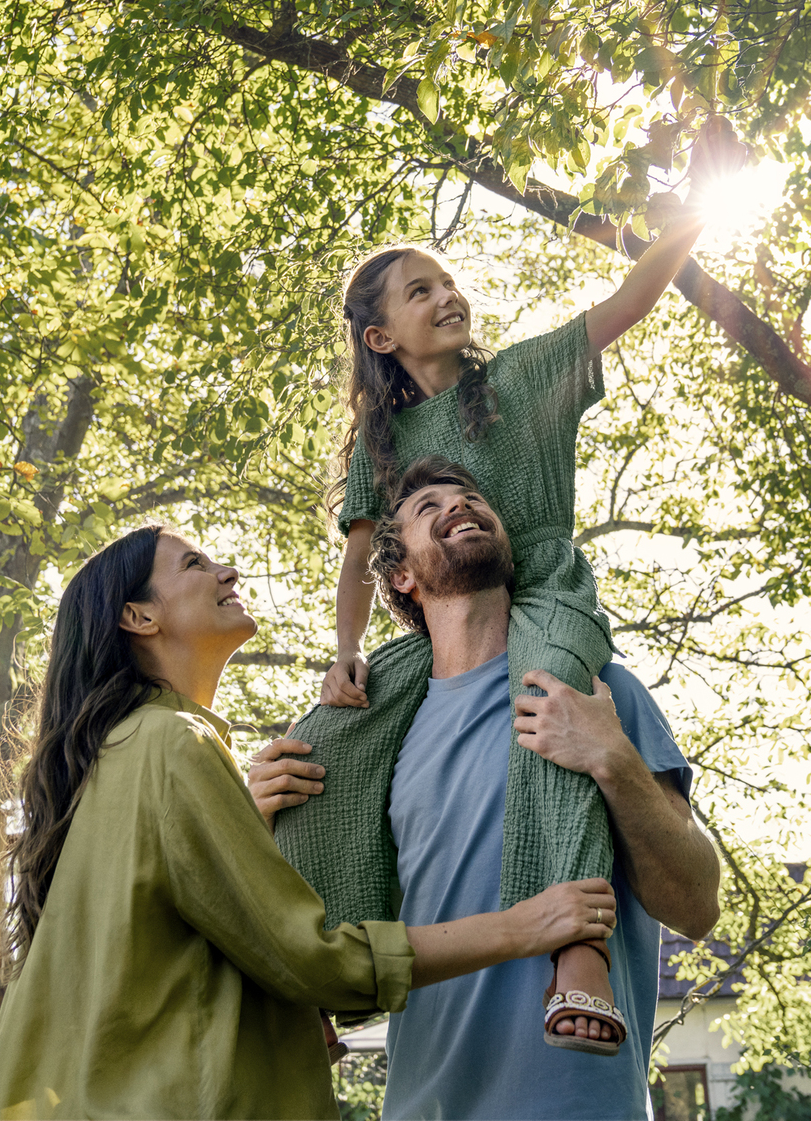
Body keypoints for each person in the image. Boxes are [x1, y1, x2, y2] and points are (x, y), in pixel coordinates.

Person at [0, 524, 618, 1121]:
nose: (228, 572)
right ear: (139, 617)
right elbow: (312, 959)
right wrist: (527, 924)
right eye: (194, 564)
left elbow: (165, 957)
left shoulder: (117, 754)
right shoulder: (172, 745)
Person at [269, 221, 705, 1052]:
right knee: (326, 740)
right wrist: (345, 652)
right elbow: (364, 548)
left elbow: (630, 300)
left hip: (541, 593)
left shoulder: (520, 378)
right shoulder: (382, 440)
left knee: (549, 709)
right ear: (380, 335)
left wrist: (688, 214)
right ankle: (319, 972)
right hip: (444, 621)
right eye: (420, 289)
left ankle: (579, 951)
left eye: (449, 281)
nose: (447, 296)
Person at [252, 462, 721, 1117]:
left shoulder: (599, 691)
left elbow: (697, 904)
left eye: (472, 496)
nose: (460, 504)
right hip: (423, 1101)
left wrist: (610, 756)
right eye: (429, 506)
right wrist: (257, 811)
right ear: (402, 577)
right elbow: (315, 923)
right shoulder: (377, 738)